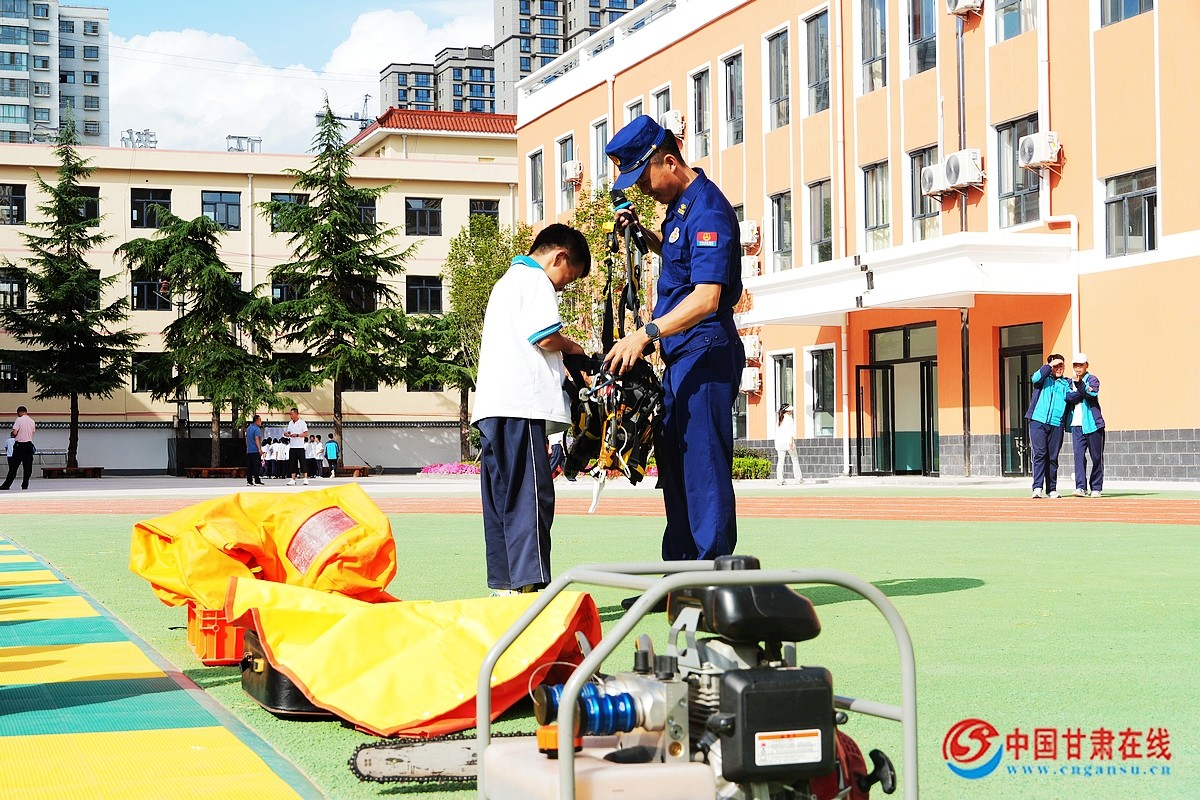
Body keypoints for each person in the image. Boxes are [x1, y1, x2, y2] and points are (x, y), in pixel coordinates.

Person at [604, 115, 745, 569]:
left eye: (644, 179)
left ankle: (711, 576)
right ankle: (679, 575)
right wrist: (645, 236)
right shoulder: (682, 209)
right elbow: (684, 261)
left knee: (703, 468)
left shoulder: (709, 210)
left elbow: (706, 297)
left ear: (669, 161)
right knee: (677, 466)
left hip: (705, 352)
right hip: (683, 357)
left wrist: (647, 333)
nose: (644, 190)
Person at [470, 223, 591, 595]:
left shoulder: (506, 282)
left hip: (492, 407)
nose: (563, 287)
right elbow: (545, 336)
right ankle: (528, 589)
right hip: (520, 406)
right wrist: (573, 348)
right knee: (530, 498)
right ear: (559, 257)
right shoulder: (536, 280)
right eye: (568, 278)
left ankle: (504, 587)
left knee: (501, 499)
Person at [1025, 354, 1071, 499]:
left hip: (1056, 424)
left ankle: (1052, 489)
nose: (1059, 369)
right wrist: (1049, 366)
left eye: (1061, 365)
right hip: (1038, 422)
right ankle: (1037, 487)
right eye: (1056, 366)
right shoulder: (1043, 379)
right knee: (1040, 454)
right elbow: (1035, 378)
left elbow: (1072, 396)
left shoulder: (1066, 383)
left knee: (1052, 457)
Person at [1067, 352, 1106, 498]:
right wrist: (1081, 390)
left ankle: (1096, 487)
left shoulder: (1093, 379)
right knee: (1078, 456)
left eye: (1080, 365)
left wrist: (1080, 387)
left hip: (1093, 424)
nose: (1078, 368)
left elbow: (1091, 394)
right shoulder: (1069, 382)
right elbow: (1069, 397)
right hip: (1076, 425)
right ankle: (1080, 487)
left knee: (1096, 457)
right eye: (1075, 365)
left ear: (1086, 365)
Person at [0, 405, 35, 491]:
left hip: (19, 446)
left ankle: (7, 485)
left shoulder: (19, 420)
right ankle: (25, 484)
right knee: (27, 467)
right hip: (28, 445)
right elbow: (32, 432)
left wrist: (13, 433)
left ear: (19, 412)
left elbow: (15, 432)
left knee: (13, 467)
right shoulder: (32, 421)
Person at [774, 404, 803, 485]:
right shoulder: (789, 419)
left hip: (779, 442)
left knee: (780, 461)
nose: (791, 412)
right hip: (788, 441)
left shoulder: (779, 419)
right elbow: (791, 431)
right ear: (787, 411)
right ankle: (798, 479)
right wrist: (792, 441)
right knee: (795, 459)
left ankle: (780, 480)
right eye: (790, 410)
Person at [284, 407, 309, 485]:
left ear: (296, 414)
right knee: (292, 463)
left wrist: (297, 435)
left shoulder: (302, 423)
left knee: (303, 463)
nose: (290, 415)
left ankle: (305, 478)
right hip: (292, 446)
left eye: (292, 414)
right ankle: (293, 479)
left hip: (300, 446)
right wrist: (287, 434)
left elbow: (306, 433)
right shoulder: (290, 423)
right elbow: (289, 431)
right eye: (290, 414)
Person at [245, 414, 265, 487]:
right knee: (256, 466)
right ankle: (257, 480)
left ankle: (249, 481)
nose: (261, 422)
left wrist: (248, 447)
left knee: (249, 466)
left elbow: (246, 439)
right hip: (255, 450)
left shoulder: (248, 428)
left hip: (249, 450)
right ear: (257, 421)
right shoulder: (257, 429)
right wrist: (259, 449)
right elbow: (257, 439)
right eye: (260, 420)